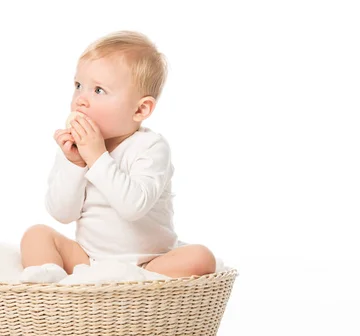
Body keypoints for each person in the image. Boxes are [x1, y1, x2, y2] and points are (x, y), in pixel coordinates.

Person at [20, 31, 216, 279]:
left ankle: (134, 285)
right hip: (89, 261)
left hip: (148, 264)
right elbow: (62, 213)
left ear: (140, 109)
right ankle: (54, 289)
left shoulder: (151, 147)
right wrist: (76, 164)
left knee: (200, 258)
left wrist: (98, 157)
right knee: (36, 235)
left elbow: (133, 207)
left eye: (99, 90)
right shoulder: (76, 150)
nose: (81, 99)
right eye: (78, 86)